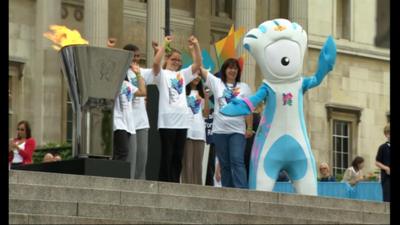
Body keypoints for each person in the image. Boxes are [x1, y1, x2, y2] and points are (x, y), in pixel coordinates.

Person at [152, 35, 202, 183]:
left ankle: (174, 182)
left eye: (179, 60)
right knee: (167, 154)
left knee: (178, 155)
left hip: (182, 121)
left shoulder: (182, 75)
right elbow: (155, 64)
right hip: (167, 121)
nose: (177, 62)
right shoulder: (162, 75)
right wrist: (164, 45)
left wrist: (196, 46)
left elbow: (198, 64)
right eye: (173, 59)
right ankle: (164, 183)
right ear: (167, 59)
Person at [198, 58, 253, 189]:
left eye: (235, 68)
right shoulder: (217, 83)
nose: (232, 70)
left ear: (238, 71)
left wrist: (249, 127)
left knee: (237, 160)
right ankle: (227, 191)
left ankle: (241, 191)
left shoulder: (244, 87)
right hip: (219, 131)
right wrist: (195, 47)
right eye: (230, 67)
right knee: (224, 164)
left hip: (237, 131)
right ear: (224, 70)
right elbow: (199, 68)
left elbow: (248, 109)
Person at [123, 43, 155, 180]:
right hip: (127, 122)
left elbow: (157, 69)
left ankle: (140, 190)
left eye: (138, 56)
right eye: (133, 56)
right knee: (131, 159)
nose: (136, 59)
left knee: (142, 158)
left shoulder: (141, 71)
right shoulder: (121, 72)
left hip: (142, 121)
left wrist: (158, 51)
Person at [112, 61, 147, 170]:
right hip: (117, 121)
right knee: (122, 151)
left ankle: (117, 175)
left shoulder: (127, 84)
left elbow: (142, 92)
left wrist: (138, 74)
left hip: (128, 123)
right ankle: (116, 176)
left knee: (122, 153)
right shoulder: (112, 83)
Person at [181, 72, 210, 184]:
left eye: (199, 76)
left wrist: (206, 98)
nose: (197, 77)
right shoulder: (183, 92)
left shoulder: (201, 95)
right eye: (194, 75)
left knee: (198, 164)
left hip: (199, 132)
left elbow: (206, 114)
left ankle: (198, 188)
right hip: (187, 130)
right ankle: (186, 187)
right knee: (187, 163)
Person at [375, 123, 390, 202]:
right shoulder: (382, 147)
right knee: (387, 198)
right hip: (386, 178)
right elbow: (377, 162)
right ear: (386, 134)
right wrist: (386, 168)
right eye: (388, 133)